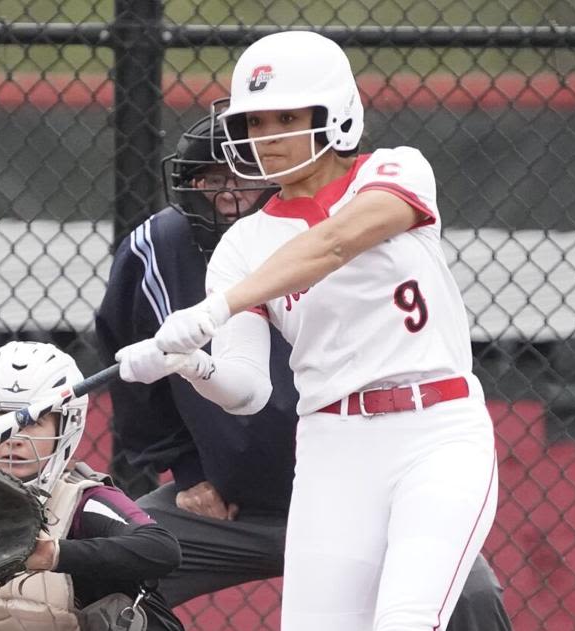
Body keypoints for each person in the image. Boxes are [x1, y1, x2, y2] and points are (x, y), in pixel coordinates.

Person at [113, 31, 500, 631]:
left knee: (406, 620)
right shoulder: (242, 243)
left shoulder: (394, 170)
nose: (267, 137)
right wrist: (189, 363)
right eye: (256, 122)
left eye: (288, 117)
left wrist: (215, 309)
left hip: (436, 434)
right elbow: (248, 391)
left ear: (338, 116)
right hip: (331, 449)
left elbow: (334, 241)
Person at [0, 341, 184, 631]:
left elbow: (161, 549)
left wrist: (54, 554)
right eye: (0, 418)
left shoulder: (82, 501)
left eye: (34, 421)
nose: (14, 436)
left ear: (67, 425)